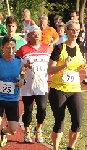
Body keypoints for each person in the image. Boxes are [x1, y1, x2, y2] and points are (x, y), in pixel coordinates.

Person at [48, 20, 85, 150]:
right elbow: (49, 70)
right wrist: (64, 66)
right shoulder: (59, 48)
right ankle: (55, 148)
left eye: (77, 30)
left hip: (75, 89)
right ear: (67, 31)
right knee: (60, 121)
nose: (75, 33)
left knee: (78, 122)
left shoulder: (81, 48)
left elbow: (83, 63)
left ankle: (70, 147)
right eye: (72, 30)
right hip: (58, 90)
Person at [16, 25, 52, 143]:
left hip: (42, 84)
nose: (36, 35)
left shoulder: (47, 48)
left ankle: (38, 129)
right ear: (29, 36)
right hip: (28, 85)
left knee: (42, 108)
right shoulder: (23, 49)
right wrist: (25, 66)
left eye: (38, 33)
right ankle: (27, 131)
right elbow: (16, 65)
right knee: (28, 110)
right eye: (34, 33)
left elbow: (52, 64)